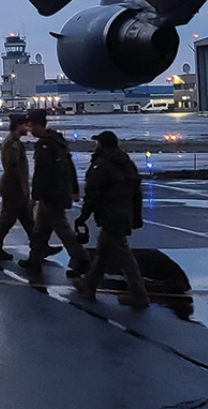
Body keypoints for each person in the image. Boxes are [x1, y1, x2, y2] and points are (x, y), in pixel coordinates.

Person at [73, 131, 150, 308]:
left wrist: (83, 216)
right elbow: (136, 193)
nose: (95, 146)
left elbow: (93, 194)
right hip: (124, 214)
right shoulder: (126, 164)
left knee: (124, 256)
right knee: (103, 252)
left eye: (97, 142)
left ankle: (139, 294)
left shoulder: (102, 166)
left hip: (110, 215)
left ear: (102, 145)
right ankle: (89, 284)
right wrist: (137, 216)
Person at [19, 109, 90, 275]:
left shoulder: (45, 145)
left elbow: (42, 173)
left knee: (62, 229)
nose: (29, 129)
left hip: (52, 194)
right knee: (40, 230)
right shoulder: (57, 141)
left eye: (31, 126)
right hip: (58, 192)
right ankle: (35, 259)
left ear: (37, 124)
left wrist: (34, 197)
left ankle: (82, 259)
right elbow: (69, 166)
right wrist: (74, 189)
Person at [0, 114, 36, 261]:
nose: (28, 129)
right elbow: (11, 167)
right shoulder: (12, 143)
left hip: (18, 187)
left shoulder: (16, 142)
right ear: (18, 125)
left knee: (28, 219)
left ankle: (40, 246)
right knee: (7, 219)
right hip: (14, 188)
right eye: (25, 125)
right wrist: (21, 189)